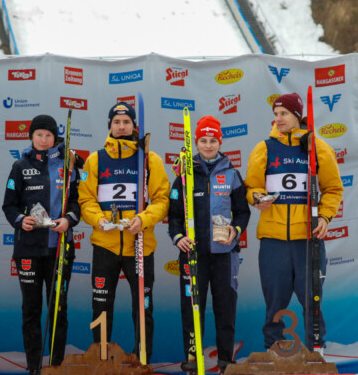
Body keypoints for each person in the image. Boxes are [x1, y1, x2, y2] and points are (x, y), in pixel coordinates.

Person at [244, 92, 343, 350]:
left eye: (284, 114)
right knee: (274, 302)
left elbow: (333, 189)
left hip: (307, 238)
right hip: (273, 240)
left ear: (297, 116)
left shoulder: (318, 148)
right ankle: (274, 351)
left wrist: (324, 216)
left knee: (312, 299)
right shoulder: (264, 148)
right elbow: (251, 186)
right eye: (276, 115)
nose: (278, 119)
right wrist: (256, 198)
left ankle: (316, 351)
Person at [78, 101, 170, 363]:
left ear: (134, 126)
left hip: (140, 245)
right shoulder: (95, 159)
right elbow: (86, 200)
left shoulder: (149, 159)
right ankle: (101, 360)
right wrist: (98, 220)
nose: (121, 126)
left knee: (142, 309)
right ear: (110, 126)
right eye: (116, 122)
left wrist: (144, 219)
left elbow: (162, 199)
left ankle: (143, 362)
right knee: (101, 306)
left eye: (126, 122)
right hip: (105, 246)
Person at [168, 116, 250, 373]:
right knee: (192, 310)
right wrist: (178, 237)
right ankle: (193, 361)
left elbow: (243, 212)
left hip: (224, 254)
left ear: (220, 142)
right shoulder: (184, 174)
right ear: (196, 142)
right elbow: (174, 215)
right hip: (193, 254)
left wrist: (235, 231)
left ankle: (226, 362)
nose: (207, 145)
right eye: (203, 140)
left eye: (213, 140)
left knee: (225, 309)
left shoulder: (232, 174)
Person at [2, 115, 83, 374]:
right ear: (31, 137)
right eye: (39, 135)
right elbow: (9, 205)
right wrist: (20, 220)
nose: (44, 139)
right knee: (31, 310)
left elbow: (76, 203)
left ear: (55, 137)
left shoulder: (68, 165)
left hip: (59, 248)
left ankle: (56, 366)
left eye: (48, 135)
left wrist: (68, 220)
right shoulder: (20, 165)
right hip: (28, 249)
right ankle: (34, 367)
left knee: (59, 309)